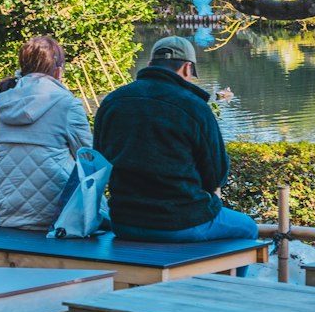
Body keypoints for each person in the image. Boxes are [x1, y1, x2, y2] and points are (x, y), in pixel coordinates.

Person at [93, 34, 257, 244]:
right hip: (181, 221)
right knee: (247, 228)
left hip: (124, 222)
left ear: (151, 64)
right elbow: (216, 174)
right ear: (187, 68)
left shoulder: (113, 102)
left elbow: (98, 160)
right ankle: (222, 278)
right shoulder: (195, 107)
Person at [0, 36, 92, 230]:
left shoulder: (3, 103)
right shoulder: (67, 104)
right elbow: (89, 157)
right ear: (58, 70)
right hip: (55, 213)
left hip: (2, 208)